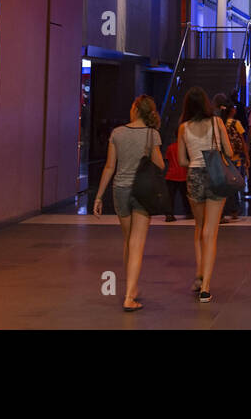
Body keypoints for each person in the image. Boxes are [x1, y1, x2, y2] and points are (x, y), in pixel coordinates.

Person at [93, 94, 164, 311]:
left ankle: (131, 288)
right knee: (137, 244)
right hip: (142, 191)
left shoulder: (117, 133)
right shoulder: (152, 135)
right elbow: (160, 164)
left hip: (120, 190)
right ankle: (129, 295)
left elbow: (109, 167)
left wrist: (98, 196)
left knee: (128, 241)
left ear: (135, 108)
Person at [178, 86, 231, 303]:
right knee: (211, 232)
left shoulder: (183, 128)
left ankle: (199, 275)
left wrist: (195, 162)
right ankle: (206, 287)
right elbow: (228, 151)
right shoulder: (217, 123)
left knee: (199, 229)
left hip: (195, 177)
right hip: (216, 175)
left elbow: (182, 161)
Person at [216, 96, 247, 222]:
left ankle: (223, 210)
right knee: (234, 183)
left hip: (222, 157)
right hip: (235, 157)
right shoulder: (236, 123)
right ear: (232, 110)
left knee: (224, 184)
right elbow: (242, 140)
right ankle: (234, 210)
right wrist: (247, 155)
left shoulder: (219, 123)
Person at [163, 132, 190, 222]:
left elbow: (168, 159)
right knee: (186, 196)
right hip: (183, 175)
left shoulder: (170, 147)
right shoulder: (186, 148)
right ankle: (189, 213)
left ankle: (169, 214)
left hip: (171, 175)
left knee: (170, 197)